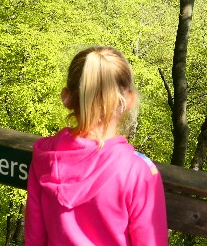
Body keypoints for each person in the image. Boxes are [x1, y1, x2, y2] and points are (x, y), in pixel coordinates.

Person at [25, 46, 168, 246]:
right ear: (129, 100)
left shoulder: (46, 155)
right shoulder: (137, 172)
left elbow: (35, 238)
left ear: (67, 97)